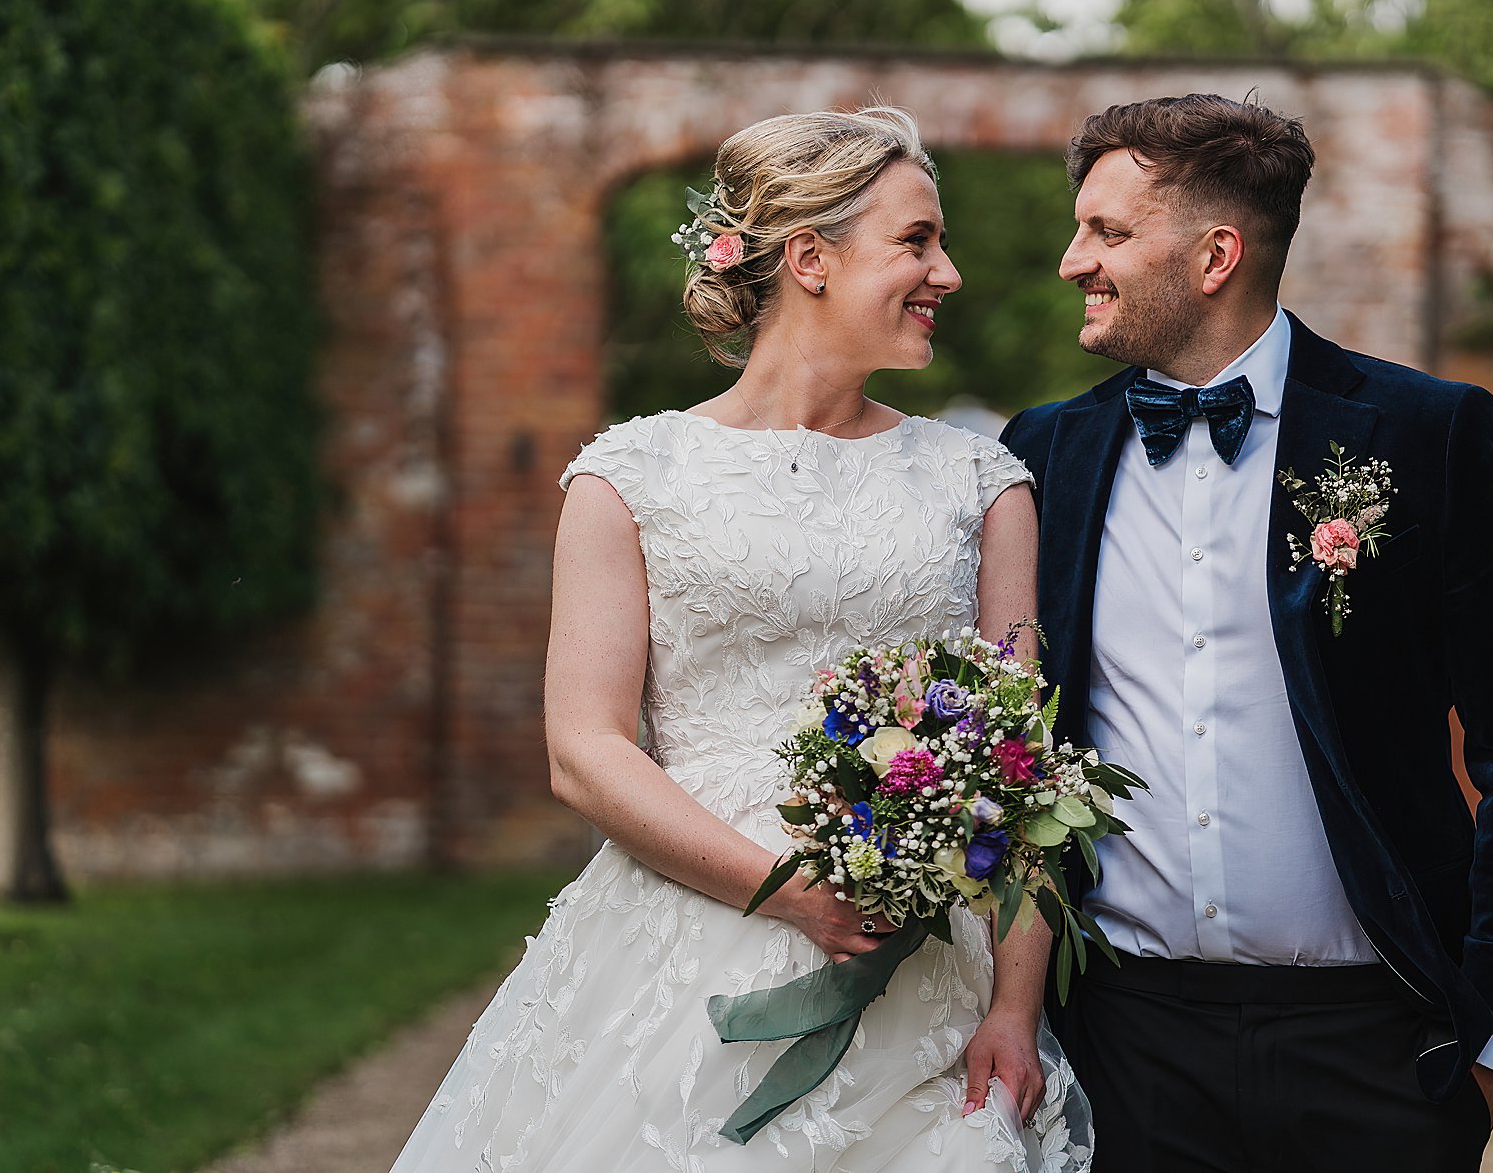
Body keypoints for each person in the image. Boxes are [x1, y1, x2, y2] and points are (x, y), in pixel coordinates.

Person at [389, 107, 1093, 1172]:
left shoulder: (982, 483)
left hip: (926, 990)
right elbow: (583, 749)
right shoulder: (629, 477)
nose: (946, 273)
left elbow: (1021, 773)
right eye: (916, 241)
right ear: (811, 258)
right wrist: (792, 892)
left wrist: (1012, 1008)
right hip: (677, 952)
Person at [1000, 94, 1493, 1173]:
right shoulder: (1042, 454)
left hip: (1377, 1048)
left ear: (1215, 255)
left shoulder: (1424, 436)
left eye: (1108, 232)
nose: (1073, 260)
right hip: (1126, 1047)